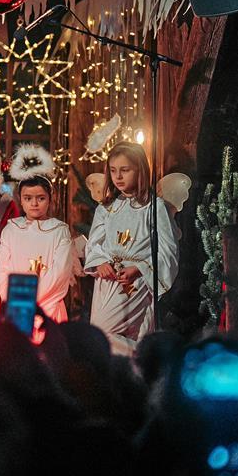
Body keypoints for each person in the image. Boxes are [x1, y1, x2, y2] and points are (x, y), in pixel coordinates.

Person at [85, 142, 180, 354]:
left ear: (139, 170)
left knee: (104, 334)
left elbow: (168, 250)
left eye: (125, 170)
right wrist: (99, 262)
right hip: (107, 282)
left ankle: (140, 358)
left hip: (135, 282)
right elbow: (94, 243)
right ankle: (137, 363)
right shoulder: (106, 208)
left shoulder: (155, 208)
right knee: (100, 336)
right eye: (113, 170)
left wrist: (139, 268)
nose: (118, 177)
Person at [0, 175, 74, 323]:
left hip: (49, 306)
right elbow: (2, 269)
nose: (34, 204)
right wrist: (13, 299)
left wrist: (31, 300)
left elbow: (60, 273)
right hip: (16, 305)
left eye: (40, 198)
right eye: (28, 198)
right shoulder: (11, 229)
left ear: (50, 198)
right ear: (20, 199)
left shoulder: (59, 231)